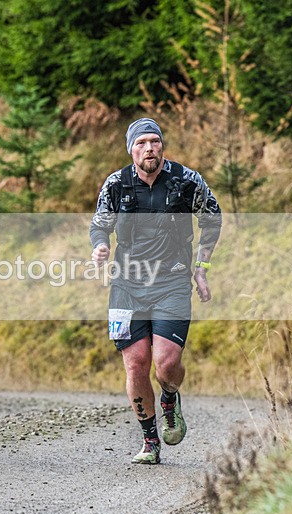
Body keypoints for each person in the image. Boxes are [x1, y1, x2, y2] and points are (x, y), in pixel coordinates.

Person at [90, 118, 221, 465]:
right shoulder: (117, 184)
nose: (150, 148)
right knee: (135, 364)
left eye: (155, 141)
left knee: (166, 364)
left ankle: (170, 398)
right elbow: (99, 224)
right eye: (142, 143)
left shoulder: (186, 180)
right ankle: (150, 441)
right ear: (131, 149)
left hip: (172, 283)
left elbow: (212, 217)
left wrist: (201, 267)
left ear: (162, 145)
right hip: (126, 286)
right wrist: (100, 247)